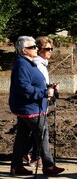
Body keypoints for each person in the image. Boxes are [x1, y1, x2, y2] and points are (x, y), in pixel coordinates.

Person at [9, 36, 64, 176]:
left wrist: (49, 87)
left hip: (29, 107)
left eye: (35, 46)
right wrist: (45, 92)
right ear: (23, 50)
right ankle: (48, 166)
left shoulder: (28, 62)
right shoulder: (22, 64)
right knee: (42, 134)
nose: (36, 49)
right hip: (30, 107)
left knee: (22, 137)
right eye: (32, 47)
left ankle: (16, 166)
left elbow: (35, 82)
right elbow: (24, 87)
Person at [23, 36, 59, 167]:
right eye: (47, 48)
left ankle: (27, 153)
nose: (50, 51)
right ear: (39, 50)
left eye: (51, 48)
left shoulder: (42, 63)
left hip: (42, 99)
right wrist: (47, 92)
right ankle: (36, 156)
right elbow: (36, 84)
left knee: (35, 130)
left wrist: (50, 86)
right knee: (40, 129)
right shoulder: (38, 64)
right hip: (38, 101)